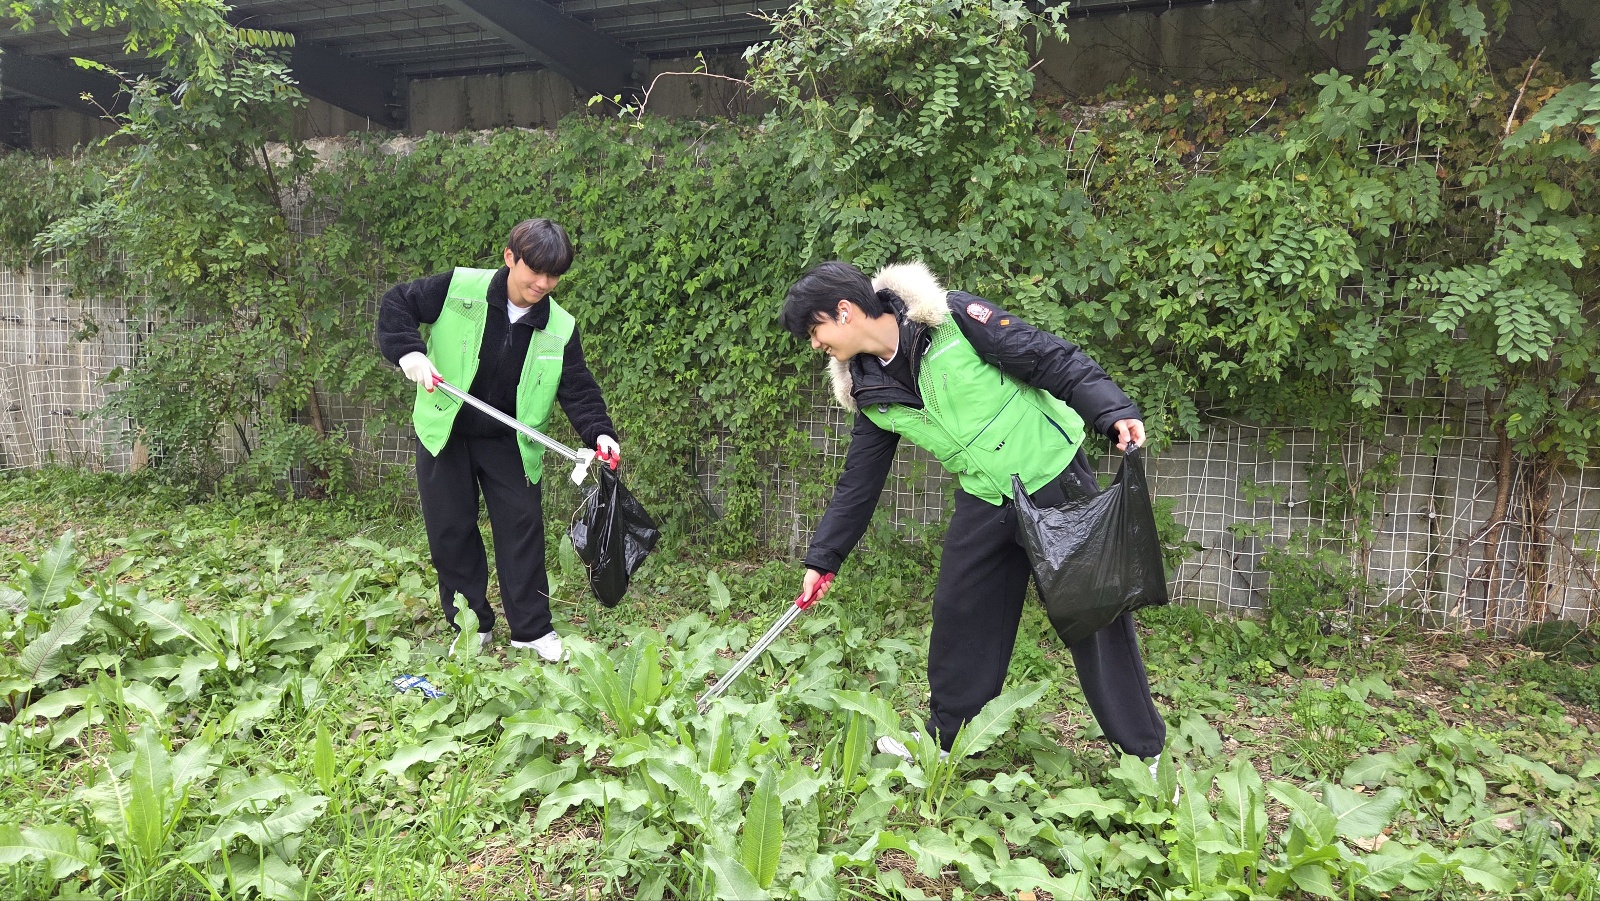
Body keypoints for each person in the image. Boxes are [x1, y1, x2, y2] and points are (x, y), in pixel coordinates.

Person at [781, 260, 1167, 767]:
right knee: (961, 612)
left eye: (815, 330)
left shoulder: (954, 320)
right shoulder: (869, 390)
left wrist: (1111, 409)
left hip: (1051, 475)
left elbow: (1048, 357)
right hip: (986, 497)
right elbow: (859, 482)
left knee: (1096, 614)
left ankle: (1144, 756)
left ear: (845, 312)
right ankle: (944, 741)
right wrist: (824, 559)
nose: (815, 344)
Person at [377, 218, 620, 661]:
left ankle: (531, 630)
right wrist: (408, 351)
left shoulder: (559, 327)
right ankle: (472, 626)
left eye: (554, 276)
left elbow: (578, 388)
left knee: (522, 531)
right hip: (446, 430)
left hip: (510, 439)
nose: (543, 284)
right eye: (536, 271)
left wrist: (600, 431)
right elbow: (397, 303)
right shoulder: (459, 288)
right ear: (510, 257)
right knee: (450, 531)